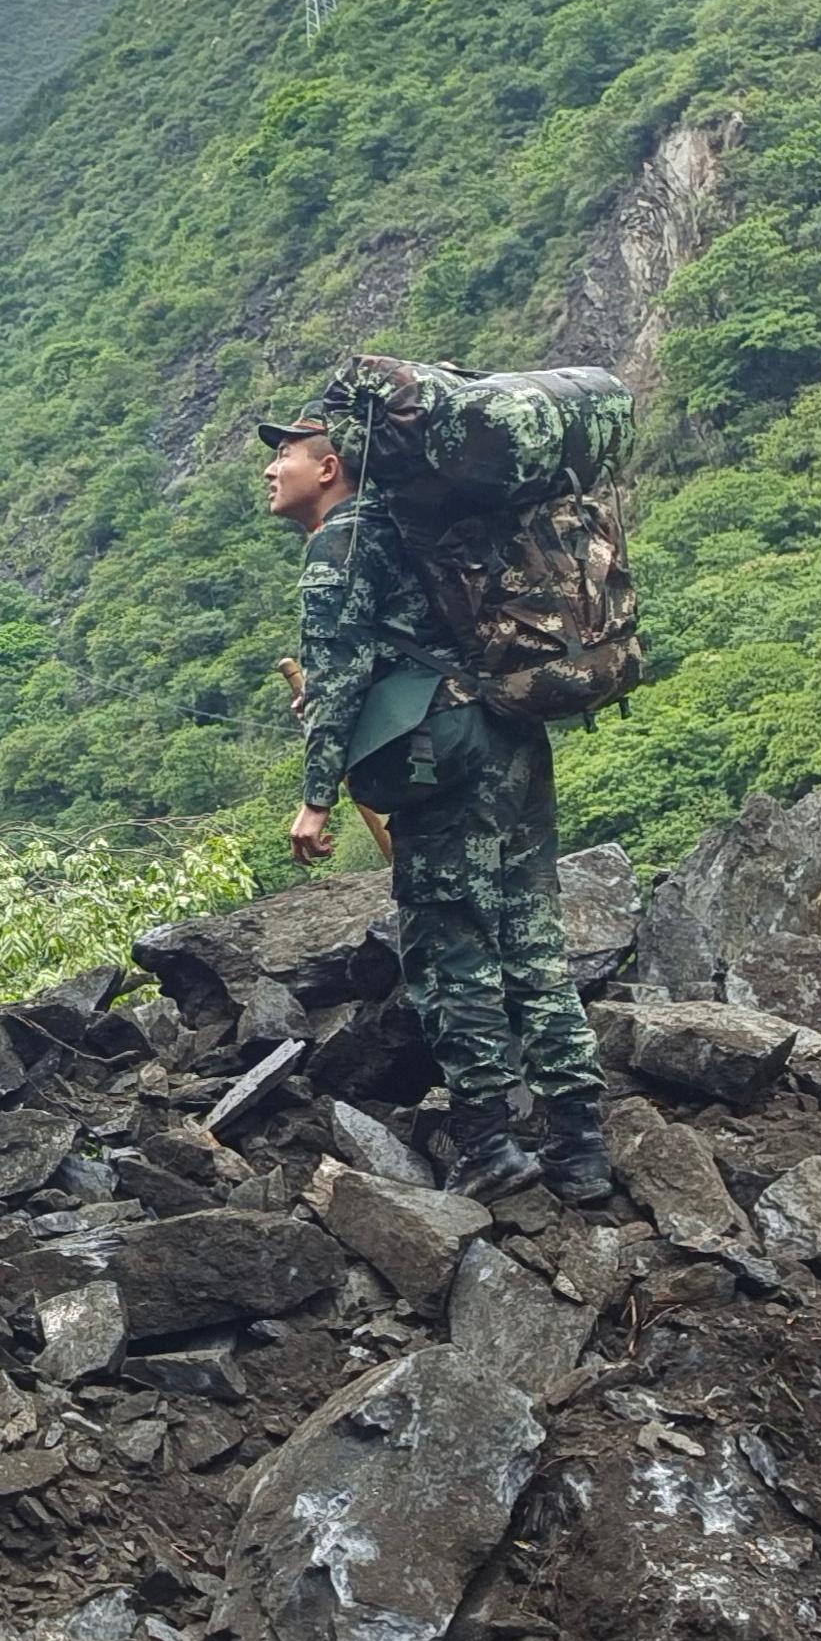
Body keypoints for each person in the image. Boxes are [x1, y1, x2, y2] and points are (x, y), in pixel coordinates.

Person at [266, 400, 611, 1204]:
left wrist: (315, 800)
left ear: (329, 467)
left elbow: (341, 678)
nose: (269, 470)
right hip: (512, 730)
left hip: (446, 752)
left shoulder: (341, 544)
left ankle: (489, 1140)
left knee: (448, 941)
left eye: (283, 455)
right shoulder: (413, 527)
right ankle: (579, 1145)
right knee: (530, 933)